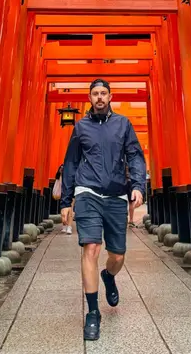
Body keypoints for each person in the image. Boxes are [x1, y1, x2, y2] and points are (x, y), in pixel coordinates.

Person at [60, 78, 146, 341]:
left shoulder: (123, 124)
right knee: (91, 248)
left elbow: (135, 155)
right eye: (95, 93)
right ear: (90, 98)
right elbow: (71, 163)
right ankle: (93, 313)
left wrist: (139, 186)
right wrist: (66, 201)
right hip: (87, 192)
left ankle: (108, 276)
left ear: (110, 97)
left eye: (103, 93)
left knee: (117, 255)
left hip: (116, 194)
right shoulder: (81, 127)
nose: (99, 97)